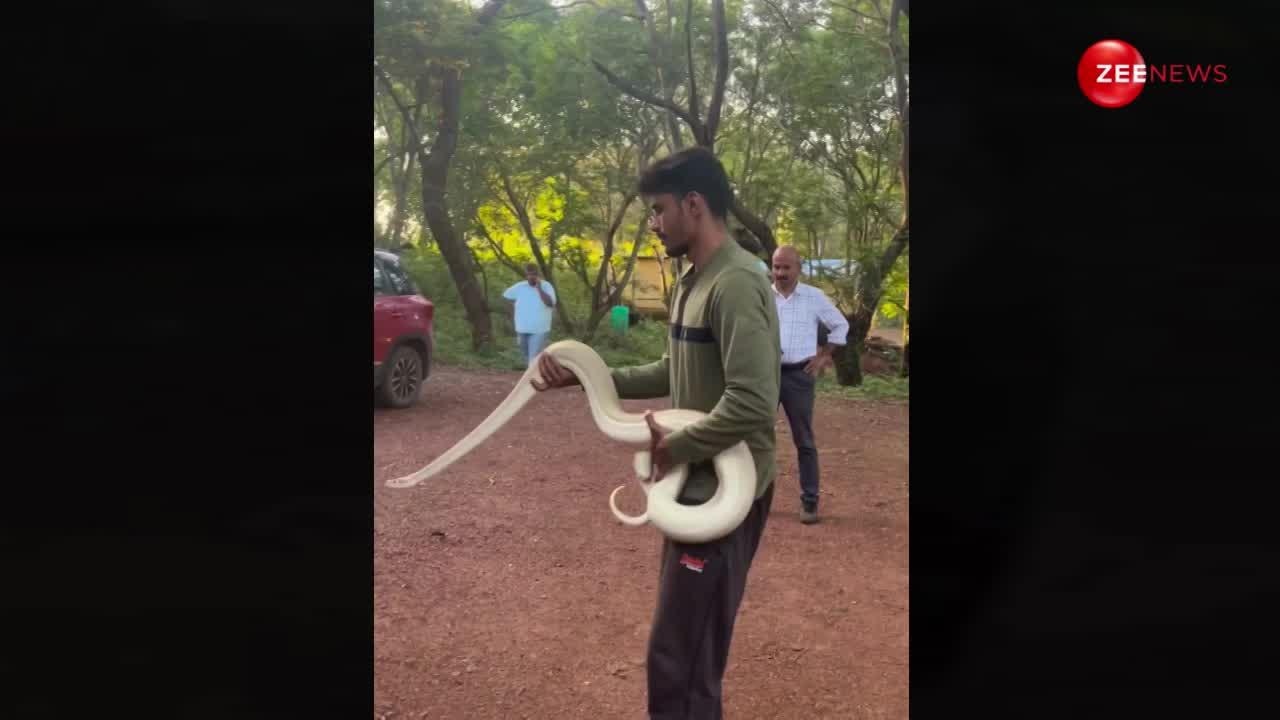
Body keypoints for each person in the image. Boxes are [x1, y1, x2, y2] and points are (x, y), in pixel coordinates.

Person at [531, 147, 781, 720]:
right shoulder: (693, 282)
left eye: (659, 209)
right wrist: (586, 376)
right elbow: (673, 370)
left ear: (694, 205)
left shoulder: (737, 284)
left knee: (682, 660)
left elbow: (753, 403)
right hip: (693, 481)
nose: (654, 222)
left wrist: (676, 447)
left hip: (725, 492)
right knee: (679, 651)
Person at [769, 245, 850, 524]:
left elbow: (841, 326)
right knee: (758, 437)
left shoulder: (814, 298)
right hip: (765, 375)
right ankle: (754, 500)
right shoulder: (763, 296)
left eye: (785, 267)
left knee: (803, 439)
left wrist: (824, 355)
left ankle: (810, 502)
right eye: (776, 267)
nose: (780, 273)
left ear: (798, 268)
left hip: (799, 376)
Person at [503, 263, 557, 368]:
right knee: (528, 356)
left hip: (539, 329)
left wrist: (539, 289)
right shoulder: (520, 286)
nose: (532, 277)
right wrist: (511, 311)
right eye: (529, 274)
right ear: (526, 275)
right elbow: (506, 296)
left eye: (534, 274)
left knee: (533, 358)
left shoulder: (546, 286)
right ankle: (542, 372)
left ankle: (531, 381)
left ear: (539, 275)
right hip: (522, 328)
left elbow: (550, 303)